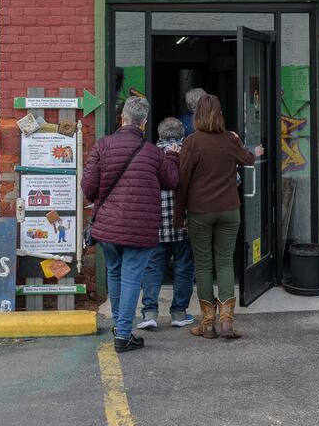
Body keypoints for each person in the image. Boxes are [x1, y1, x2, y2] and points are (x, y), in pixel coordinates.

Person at [82, 95, 179, 353]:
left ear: (122, 118)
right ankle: (123, 334)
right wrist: (172, 157)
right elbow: (171, 182)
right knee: (131, 279)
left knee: (115, 273)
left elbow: (88, 189)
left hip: (108, 228)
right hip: (140, 229)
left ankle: (120, 327)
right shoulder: (154, 153)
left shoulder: (102, 146)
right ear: (144, 123)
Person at [176, 93, 257, 340]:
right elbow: (249, 159)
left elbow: (183, 181)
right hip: (229, 210)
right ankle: (226, 322)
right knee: (224, 262)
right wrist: (237, 139)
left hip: (200, 211)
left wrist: (179, 216)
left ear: (197, 115)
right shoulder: (229, 140)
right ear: (220, 114)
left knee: (203, 264)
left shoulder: (192, 142)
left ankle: (208, 323)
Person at [136, 117, 196, 331]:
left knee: (152, 268)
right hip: (185, 222)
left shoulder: (149, 153)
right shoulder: (190, 152)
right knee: (184, 268)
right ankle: (179, 313)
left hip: (156, 224)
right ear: (182, 135)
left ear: (160, 135)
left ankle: (149, 312)